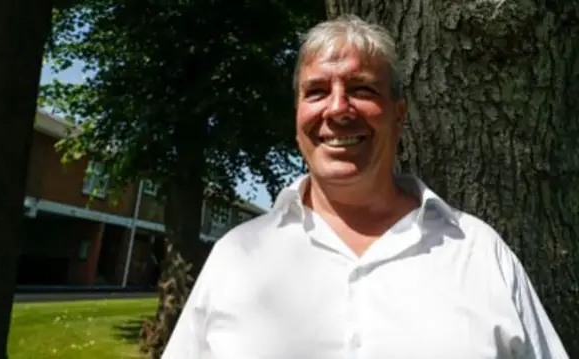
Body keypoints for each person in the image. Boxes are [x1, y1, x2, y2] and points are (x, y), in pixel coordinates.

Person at [162, 14, 568, 359]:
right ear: (298, 117)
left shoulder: (479, 253)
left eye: (361, 89)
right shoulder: (236, 256)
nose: (338, 108)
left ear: (399, 115)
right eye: (317, 91)